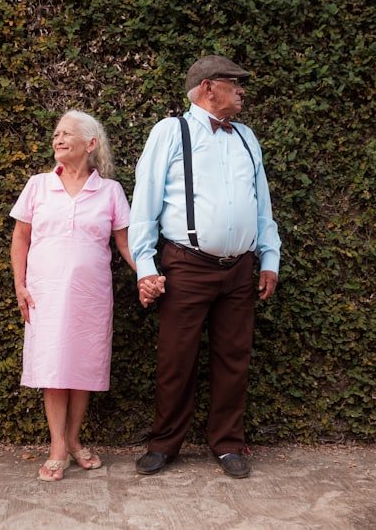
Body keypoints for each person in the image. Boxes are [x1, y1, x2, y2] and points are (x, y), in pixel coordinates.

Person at [128, 55, 281, 478]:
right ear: (209, 87)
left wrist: (269, 257)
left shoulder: (247, 138)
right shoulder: (170, 131)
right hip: (186, 265)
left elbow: (261, 204)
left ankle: (228, 444)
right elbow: (144, 204)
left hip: (240, 269)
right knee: (176, 358)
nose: (243, 90)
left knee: (234, 357)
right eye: (236, 83)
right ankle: (164, 443)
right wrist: (145, 266)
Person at [9, 110, 136, 482]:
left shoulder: (110, 191)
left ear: (90, 144)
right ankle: (58, 447)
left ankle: (75, 439)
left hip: (91, 295)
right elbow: (20, 237)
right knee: (53, 370)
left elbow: (125, 244)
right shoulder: (37, 185)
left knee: (82, 370)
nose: (58, 140)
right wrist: (20, 284)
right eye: (56, 134)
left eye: (67, 134)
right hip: (44, 294)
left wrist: (149, 275)